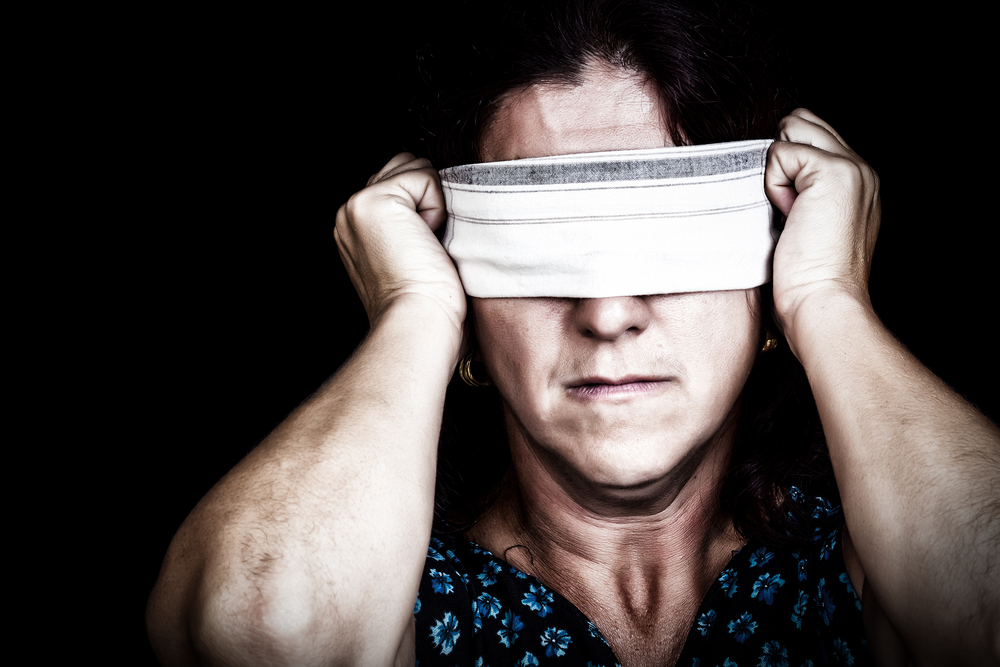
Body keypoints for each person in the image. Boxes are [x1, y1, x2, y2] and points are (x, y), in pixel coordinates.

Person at [147, 1, 1000, 665]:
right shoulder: (392, 601)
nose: (607, 310)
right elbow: (260, 634)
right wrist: (416, 310)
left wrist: (825, 300)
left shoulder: (865, 574)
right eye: (537, 251)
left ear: (767, 265)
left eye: (674, 239)